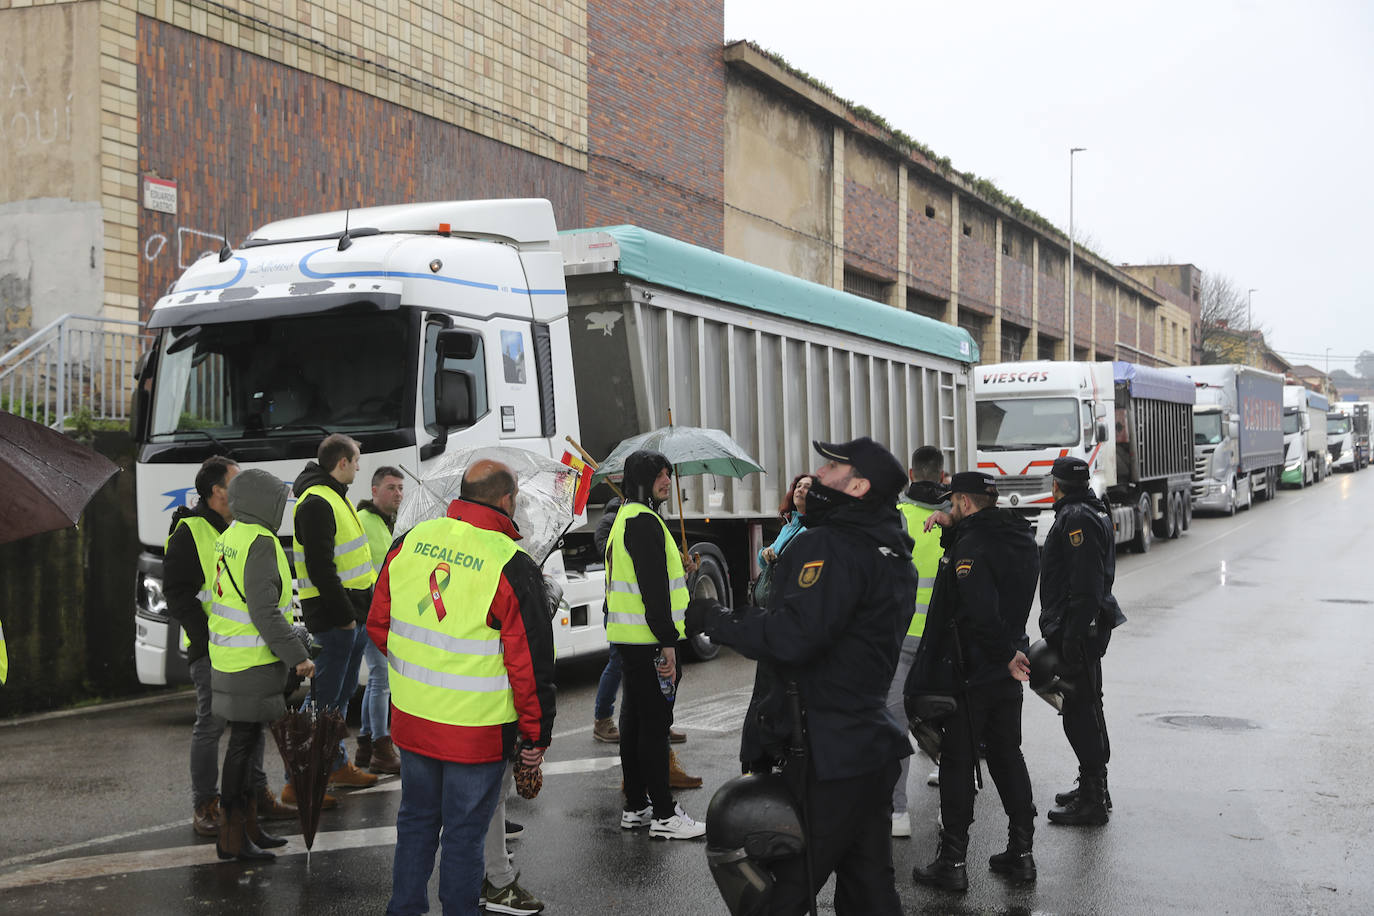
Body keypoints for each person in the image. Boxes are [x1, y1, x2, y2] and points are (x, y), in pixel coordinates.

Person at [688, 436, 917, 914]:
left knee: (785, 895)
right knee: (869, 892)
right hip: (865, 750)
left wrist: (713, 618)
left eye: (832, 467)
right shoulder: (885, 548)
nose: (817, 474)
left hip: (830, 753)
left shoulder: (834, 547)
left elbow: (793, 637)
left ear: (857, 485)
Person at [368, 458, 556, 916]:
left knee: (415, 822)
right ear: (507, 500)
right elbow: (529, 669)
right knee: (464, 835)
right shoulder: (512, 565)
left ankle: (405, 909)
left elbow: (379, 625)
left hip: (413, 722)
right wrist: (535, 736)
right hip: (477, 732)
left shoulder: (409, 542)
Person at [907, 471, 1040, 891]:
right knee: (1007, 756)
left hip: (975, 669)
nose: (949, 510)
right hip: (1007, 664)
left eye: (953, 505)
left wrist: (1002, 655)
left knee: (958, 764)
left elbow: (978, 609)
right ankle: (1021, 854)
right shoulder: (1017, 536)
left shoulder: (974, 546)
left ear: (963, 502)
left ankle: (953, 863)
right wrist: (1011, 654)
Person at [164, 456, 296, 836]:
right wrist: (206, 637)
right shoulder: (189, 530)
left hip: (247, 651)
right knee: (211, 724)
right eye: (236, 483)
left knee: (251, 722)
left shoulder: (241, 528)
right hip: (212, 649)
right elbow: (177, 594)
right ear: (216, 491)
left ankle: (254, 797)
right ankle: (205, 802)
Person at [208, 469, 315, 862]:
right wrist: (298, 656)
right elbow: (265, 612)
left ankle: (248, 829)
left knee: (246, 745)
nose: (281, 509)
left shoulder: (231, 535)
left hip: (230, 659)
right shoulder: (261, 542)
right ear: (260, 502)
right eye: (277, 500)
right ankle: (233, 837)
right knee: (242, 746)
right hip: (252, 663)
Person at [605, 450, 706, 840]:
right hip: (649, 641)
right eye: (661, 474)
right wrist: (667, 642)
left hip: (630, 639)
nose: (668, 480)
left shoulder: (626, 518)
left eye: (669, 474)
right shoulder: (644, 522)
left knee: (633, 723)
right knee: (655, 727)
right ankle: (664, 814)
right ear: (642, 480)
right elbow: (652, 590)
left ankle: (636, 806)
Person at [1039, 456, 1126, 827]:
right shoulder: (1090, 510)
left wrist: (1075, 633)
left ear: (1057, 485)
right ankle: (1093, 786)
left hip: (1080, 630)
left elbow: (1086, 583)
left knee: (1079, 710)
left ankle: (1092, 798)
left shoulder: (1076, 518)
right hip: (1084, 627)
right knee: (1087, 704)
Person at [290, 433, 379, 797]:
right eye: (356, 461)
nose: (359, 467)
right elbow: (321, 568)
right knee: (323, 701)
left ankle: (337, 765)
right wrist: (345, 616)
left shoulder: (333, 497)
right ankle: (298, 779)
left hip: (350, 617)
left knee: (338, 700)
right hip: (334, 619)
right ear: (341, 462)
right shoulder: (316, 502)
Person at [591, 496, 690, 759]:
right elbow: (607, 554)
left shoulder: (653, 521)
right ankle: (602, 719)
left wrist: (682, 563)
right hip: (624, 613)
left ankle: (660, 727)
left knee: (649, 683)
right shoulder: (614, 522)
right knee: (619, 666)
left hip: (644, 617)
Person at [887, 446, 949, 837]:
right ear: (943, 477)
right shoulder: (955, 519)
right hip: (943, 639)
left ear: (912, 473)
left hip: (903, 635)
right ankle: (952, 807)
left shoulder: (897, 518)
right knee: (948, 719)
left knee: (894, 720)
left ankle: (897, 813)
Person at [355, 465, 405, 776]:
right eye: (391, 488)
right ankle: (382, 747)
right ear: (374, 491)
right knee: (381, 678)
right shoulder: (365, 522)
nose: (398, 493)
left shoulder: (387, 523)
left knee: (377, 677)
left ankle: (365, 744)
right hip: (371, 612)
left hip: (377, 611)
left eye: (400, 488)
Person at [757, 474, 812, 568]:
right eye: (798, 486)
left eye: (806, 487)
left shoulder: (814, 529)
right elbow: (763, 564)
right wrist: (764, 553)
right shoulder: (787, 528)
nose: (800, 489)